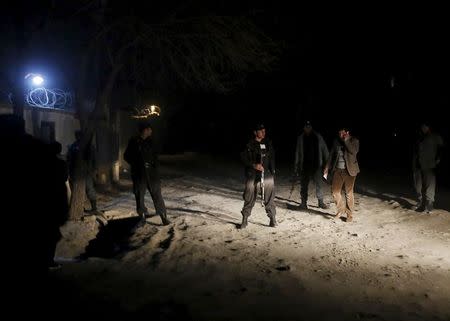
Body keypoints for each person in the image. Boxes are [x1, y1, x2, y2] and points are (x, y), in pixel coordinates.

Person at [124, 121, 170, 225]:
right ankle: (142, 217)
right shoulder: (134, 141)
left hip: (152, 175)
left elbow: (155, 158)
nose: (151, 131)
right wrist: (137, 164)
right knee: (139, 196)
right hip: (139, 175)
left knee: (157, 195)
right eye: (148, 129)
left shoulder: (151, 142)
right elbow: (126, 156)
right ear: (144, 130)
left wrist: (156, 172)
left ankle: (163, 217)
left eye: (150, 129)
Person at [240, 123, 277, 228]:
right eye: (261, 131)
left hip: (266, 175)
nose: (263, 133)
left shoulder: (268, 143)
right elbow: (243, 158)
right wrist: (253, 165)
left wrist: (273, 172)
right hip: (252, 174)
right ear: (255, 132)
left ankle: (272, 218)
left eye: (264, 131)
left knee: (269, 197)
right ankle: (245, 219)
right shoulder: (249, 144)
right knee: (249, 197)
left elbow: (272, 158)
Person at [324, 127, 360, 222]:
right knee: (335, 192)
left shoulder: (354, 141)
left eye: (342, 133)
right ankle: (340, 210)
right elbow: (331, 155)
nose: (340, 134)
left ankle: (349, 214)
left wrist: (346, 139)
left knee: (348, 193)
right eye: (339, 132)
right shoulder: (336, 141)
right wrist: (327, 168)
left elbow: (353, 151)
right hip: (338, 170)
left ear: (347, 132)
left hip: (350, 171)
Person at [294, 120, 330, 209]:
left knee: (319, 184)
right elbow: (297, 153)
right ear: (304, 128)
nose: (307, 128)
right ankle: (303, 203)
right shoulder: (300, 138)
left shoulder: (318, 137)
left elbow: (325, 150)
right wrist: (296, 166)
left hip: (316, 166)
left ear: (311, 127)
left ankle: (320, 202)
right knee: (304, 185)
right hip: (305, 166)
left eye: (309, 126)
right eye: (306, 127)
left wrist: (327, 163)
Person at [412, 122, 444, 213]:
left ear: (429, 127)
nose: (423, 128)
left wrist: (438, 159)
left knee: (430, 183)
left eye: (425, 126)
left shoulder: (435, 136)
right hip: (418, 164)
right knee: (418, 184)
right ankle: (421, 201)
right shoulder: (419, 137)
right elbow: (416, 150)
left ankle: (429, 203)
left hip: (429, 163)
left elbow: (441, 148)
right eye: (422, 126)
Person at [67, 130, 98, 213]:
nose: (77, 137)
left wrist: (94, 170)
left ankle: (94, 208)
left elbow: (94, 159)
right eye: (76, 136)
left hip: (86, 172)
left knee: (89, 189)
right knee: (79, 191)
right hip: (77, 172)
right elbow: (69, 159)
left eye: (78, 135)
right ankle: (81, 208)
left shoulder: (88, 146)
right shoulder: (74, 146)